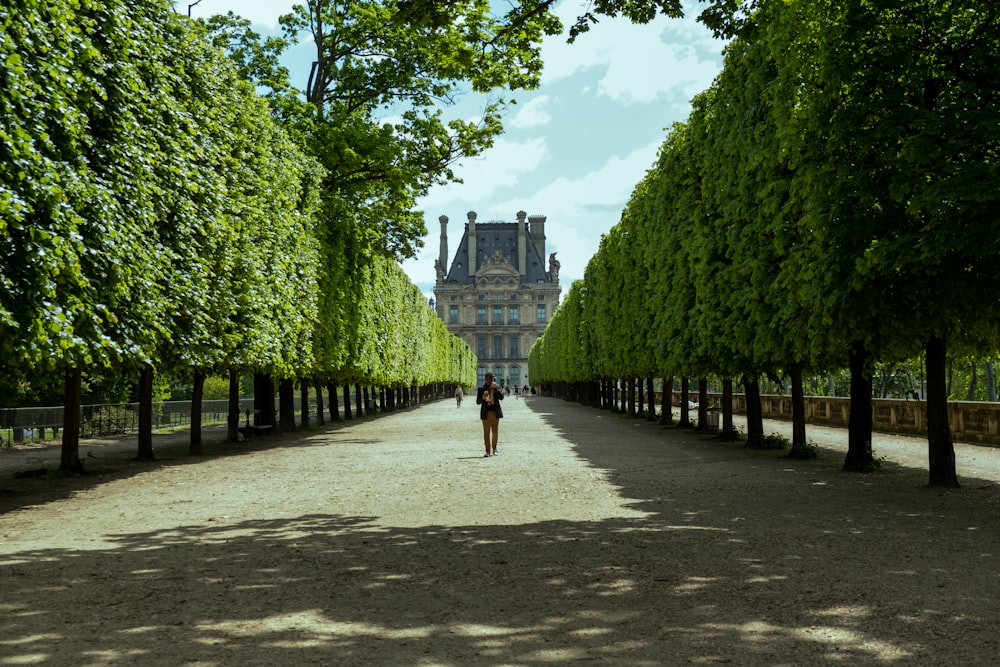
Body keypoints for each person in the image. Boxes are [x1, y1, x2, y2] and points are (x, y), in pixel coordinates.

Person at [476, 372, 504, 457]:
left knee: (495, 431)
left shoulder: (496, 387)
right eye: (487, 379)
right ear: (485, 380)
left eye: (490, 379)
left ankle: (494, 448)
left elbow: (501, 397)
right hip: (486, 412)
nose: (488, 381)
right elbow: (478, 402)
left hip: (494, 412)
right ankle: (487, 451)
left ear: (492, 380)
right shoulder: (481, 389)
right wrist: (482, 398)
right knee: (486, 432)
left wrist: (495, 389)